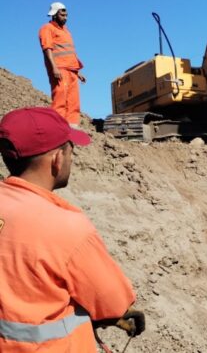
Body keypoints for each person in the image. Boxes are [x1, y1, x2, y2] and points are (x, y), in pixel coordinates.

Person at [0, 107, 144, 352]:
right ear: (57, 159)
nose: (71, 158)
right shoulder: (66, 226)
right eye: (70, 151)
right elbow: (113, 300)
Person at [39, 2, 86, 127]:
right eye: (62, 15)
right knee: (60, 99)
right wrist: (54, 67)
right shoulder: (47, 28)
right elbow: (47, 48)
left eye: (66, 15)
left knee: (73, 101)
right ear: (54, 15)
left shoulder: (66, 32)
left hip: (72, 71)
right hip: (59, 69)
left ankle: (71, 129)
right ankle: (57, 127)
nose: (65, 17)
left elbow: (69, 52)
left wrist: (77, 72)